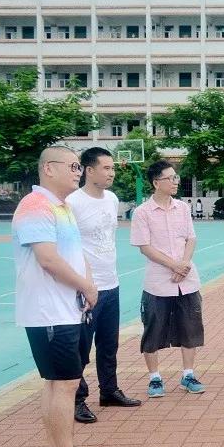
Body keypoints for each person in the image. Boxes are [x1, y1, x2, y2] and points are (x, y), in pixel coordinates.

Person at [13, 146, 103, 447]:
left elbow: (77, 255)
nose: (78, 171)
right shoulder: (35, 205)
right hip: (48, 312)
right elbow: (48, 260)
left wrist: (88, 285)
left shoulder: (61, 207)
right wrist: (86, 287)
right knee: (64, 383)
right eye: (73, 166)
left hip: (67, 309)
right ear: (49, 169)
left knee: (58, 381)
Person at [67, 147, 141, 424]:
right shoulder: (73, 202)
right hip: (86, 287)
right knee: (81, 348)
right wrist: (84, 283)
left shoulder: (111, 199)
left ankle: (109, 391)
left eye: (112, 168)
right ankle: (77, 399)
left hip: (111, 283)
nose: (111, 173)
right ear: (89, 170)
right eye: (106, 168)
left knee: (109, 344)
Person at [130, 160, 206, 397]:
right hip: (158, 283)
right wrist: (174, 265)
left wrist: (183, 265)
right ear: (155, 182)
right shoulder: (142, 212)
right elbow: (144, 247)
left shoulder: (182, 208)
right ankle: (154, 378)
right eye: (170, 178)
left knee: (191, 328)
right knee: (153, 330)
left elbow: (190, 239)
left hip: (187, 281)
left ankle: (188, 374)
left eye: (176, 178)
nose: (175, 182)